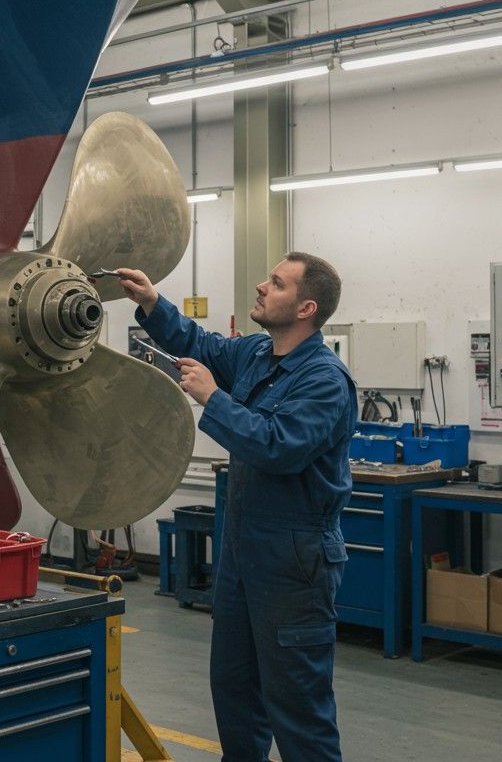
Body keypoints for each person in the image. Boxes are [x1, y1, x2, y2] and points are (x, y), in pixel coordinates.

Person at [119, 252, 356, 762]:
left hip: (296, 559)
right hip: (244, 550)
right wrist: (153, 303)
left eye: (276, 283)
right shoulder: (255, 355)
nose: (261, 286)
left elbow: (279, 445)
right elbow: (199, 344)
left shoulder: (324, 380)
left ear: (305, 307)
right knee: (235, 692)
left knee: (297, 705)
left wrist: (213, 398)